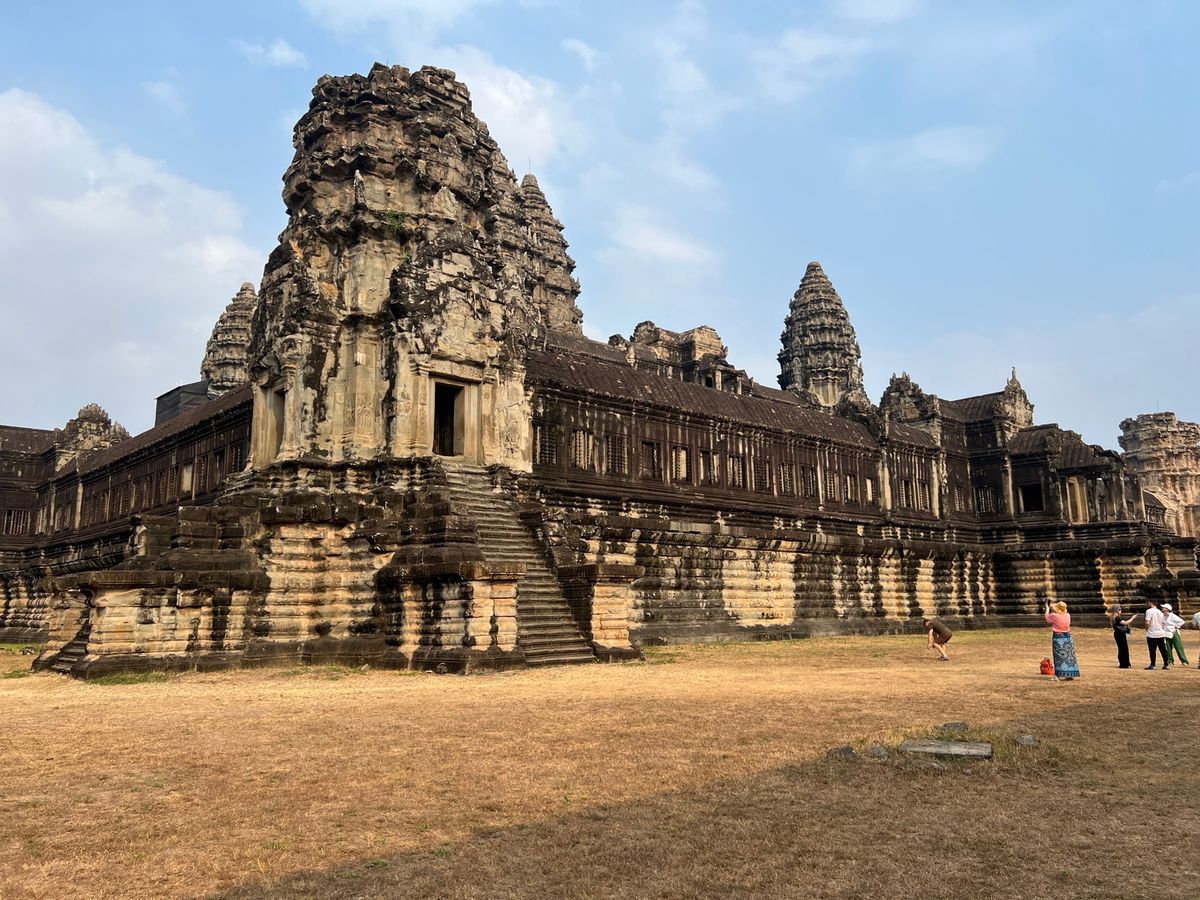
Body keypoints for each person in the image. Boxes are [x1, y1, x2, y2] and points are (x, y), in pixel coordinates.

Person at [1044, 600, 1080, 680]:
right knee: (1069, 656)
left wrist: (1047, 609)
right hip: (1067, 636)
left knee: (1058, 656)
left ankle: (1057, 675)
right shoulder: (1067, 615)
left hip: (1058, 636)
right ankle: (1070, 674)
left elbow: (1047, 618)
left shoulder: (1054, 615)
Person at [1144, 598, 1169, 670]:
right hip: (1160, 633)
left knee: (1152, 650)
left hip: (1152, 633)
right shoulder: (1160, 612)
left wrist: (1147, 629)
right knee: (1163, 649)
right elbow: (1163, 623)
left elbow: (1147, 622)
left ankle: (1153, 664)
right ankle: (1166, 664)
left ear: (1150, 603)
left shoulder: (1149, 611)